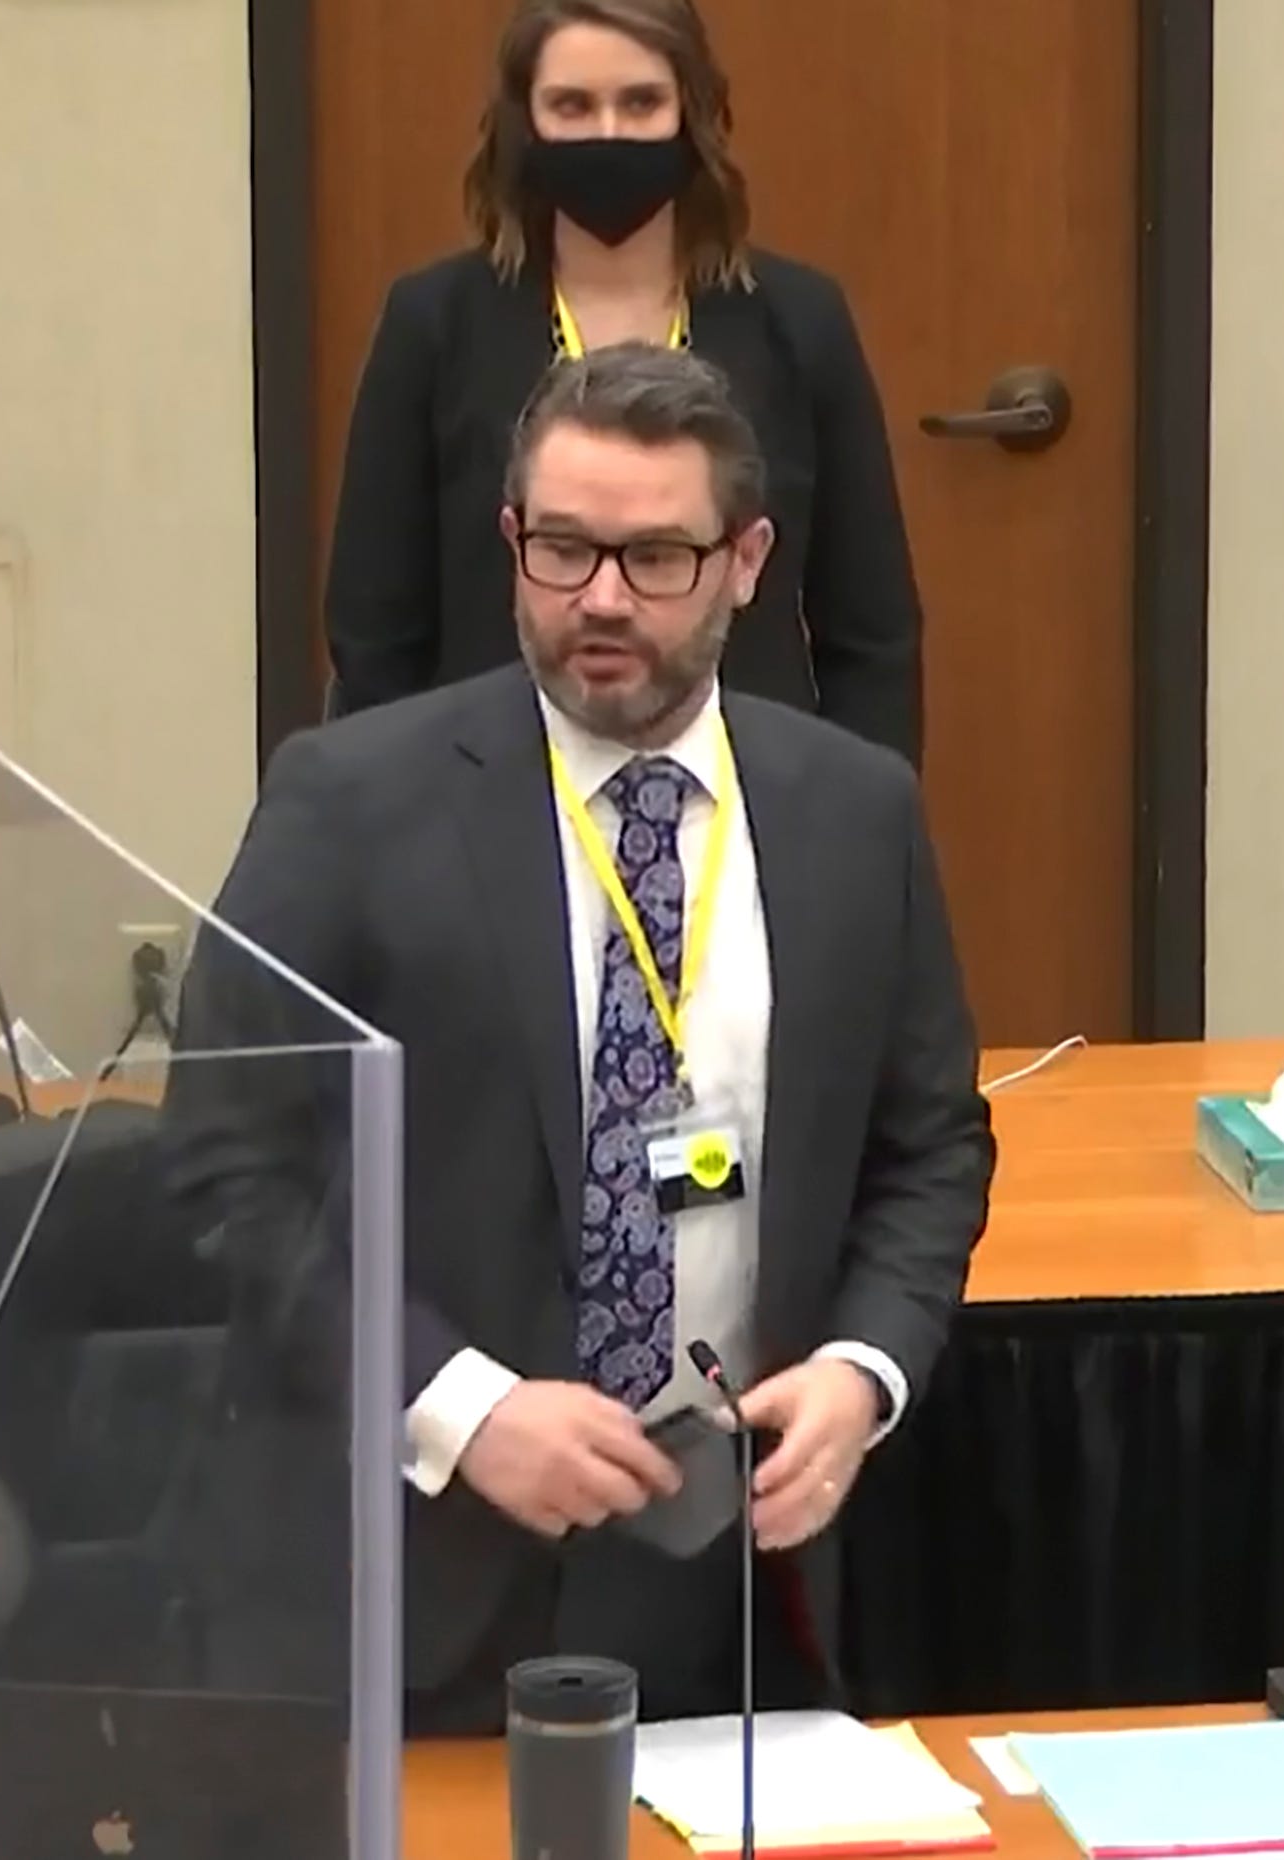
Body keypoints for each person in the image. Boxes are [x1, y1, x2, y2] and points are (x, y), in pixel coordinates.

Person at [168, 342, 992, 1729]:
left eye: (655, 558)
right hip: (419, 1578)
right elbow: (225, 1168)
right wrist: (460, 1402)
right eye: (562, 550)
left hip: (738, 1571)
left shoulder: (857, 813)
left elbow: (931, 1148)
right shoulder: (349, 800)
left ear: (746, 560)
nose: (600, 600)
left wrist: (864, 1371)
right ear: (510, 541)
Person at [324, 0, 925, 764]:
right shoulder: (434, 324)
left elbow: (871, 632)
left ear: (692, 116)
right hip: (491, 801)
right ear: (525, 123)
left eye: (640, 103)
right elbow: (375, 631)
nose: (607, 132)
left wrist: (857, 826)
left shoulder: (802, 323)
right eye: (572, 105)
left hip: (745, 798)